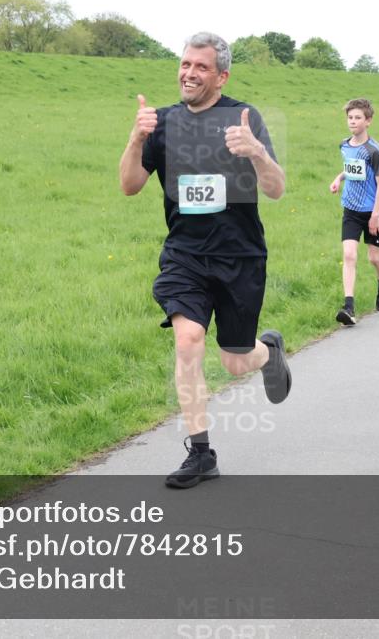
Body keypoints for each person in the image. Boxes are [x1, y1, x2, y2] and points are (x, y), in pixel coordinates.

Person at [118, 32, 291, 489]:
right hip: (185, 255)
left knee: (235, 360)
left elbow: (275, 189)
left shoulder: (243, 118)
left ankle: (267, 352)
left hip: (240, 257)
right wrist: (137, 139)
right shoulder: (164, 123)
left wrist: (255, 152)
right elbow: (130, 185)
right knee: (189, 340)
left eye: (200, 67)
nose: (189, 73)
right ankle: (201, 454)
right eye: (185, 64)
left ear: (221, 76)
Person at [328, 99, 379, 325]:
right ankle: (349, 307)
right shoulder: (344, 145)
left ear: (368, 121)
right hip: (351, 209)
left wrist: (375, 215)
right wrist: (338, 178)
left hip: (373, 211)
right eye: (350, 117)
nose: (352, 122)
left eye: (357, 118)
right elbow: (350, 168)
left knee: (374, 257)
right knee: (349, 255)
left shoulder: (374, 150)